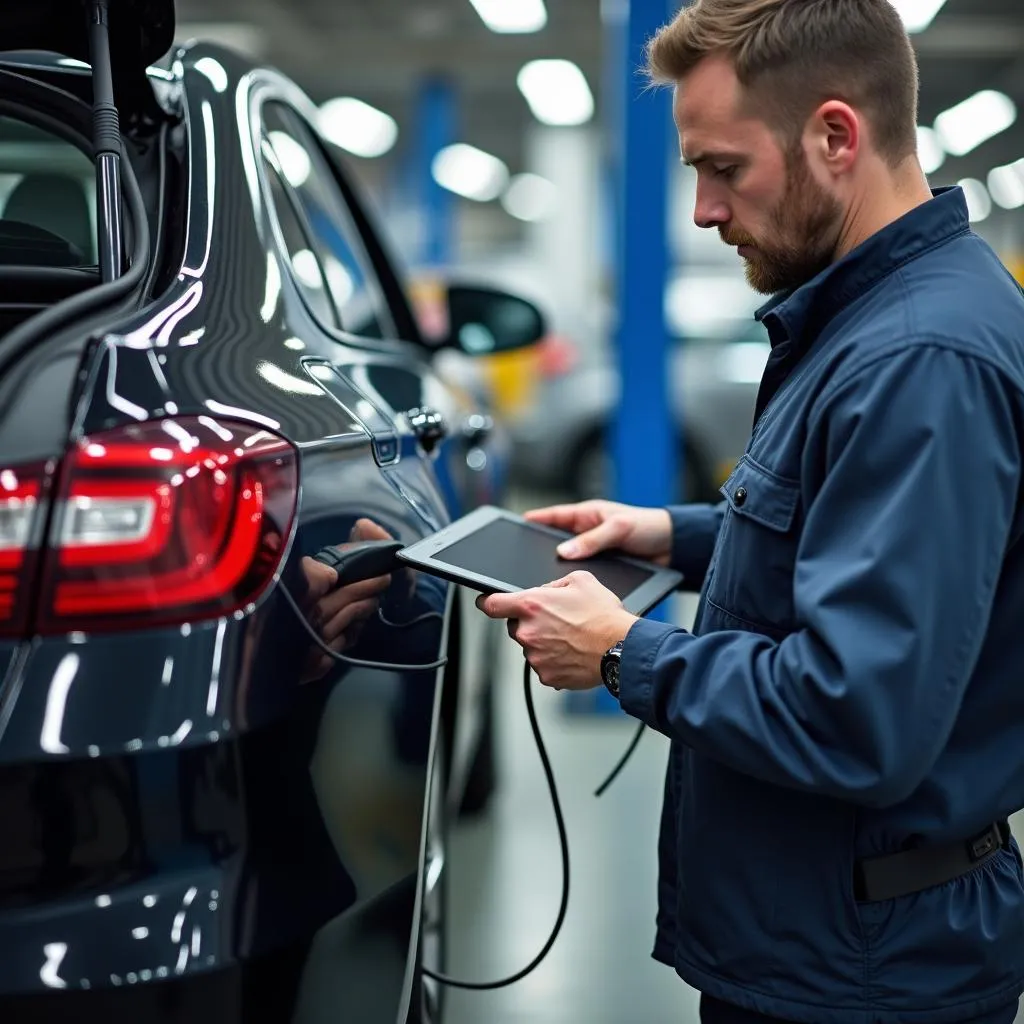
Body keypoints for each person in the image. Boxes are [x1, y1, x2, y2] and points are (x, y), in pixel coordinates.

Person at [475, 1, 1024, 1022]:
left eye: (723, 168)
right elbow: (859, 538)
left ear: (833, 136)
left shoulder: (916, 360)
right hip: (831, 938)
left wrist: (621, 654)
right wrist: (673, 536)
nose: (701, 210)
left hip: (864, 976)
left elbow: (859, 718)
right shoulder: (864, 318)